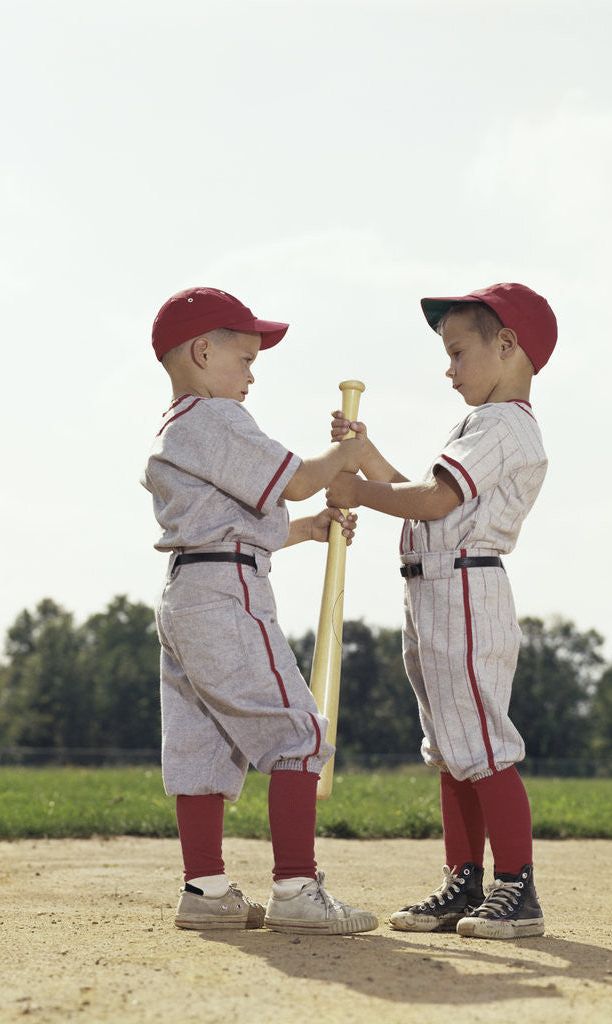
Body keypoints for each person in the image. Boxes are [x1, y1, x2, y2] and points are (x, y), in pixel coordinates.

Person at [142, 286, 377, 936]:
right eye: (244, 358)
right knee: (298, 731)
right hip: (227, 593)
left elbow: (234, 519)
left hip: (189, 589)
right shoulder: (215, 418)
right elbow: (297, 477)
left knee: (200, 746)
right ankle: (297, 889)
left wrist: (305, 529)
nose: (251, 374)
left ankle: (206, 889)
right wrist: (348, 457)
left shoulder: (177, 427)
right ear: (202, 350)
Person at [327, 282, 557, 939]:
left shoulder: (503, 424)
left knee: (481, 743)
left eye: (458, 351)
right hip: (435, 589)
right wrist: (365, 457)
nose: (448, 367)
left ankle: (517, 887)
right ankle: (465, 882)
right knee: (454, 749)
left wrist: (359, 490)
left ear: (507, 345)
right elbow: (433, 497)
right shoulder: (485, 424)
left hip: (464, 590)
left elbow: (429, 501)